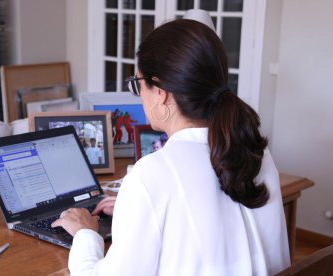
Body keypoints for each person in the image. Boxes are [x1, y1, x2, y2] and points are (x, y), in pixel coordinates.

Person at [51, 9, 290, 275]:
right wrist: (138, 212)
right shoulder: (256, 151)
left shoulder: (151, 174)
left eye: (137, 84)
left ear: (161, 93)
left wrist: (86, 234)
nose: (139, 95)